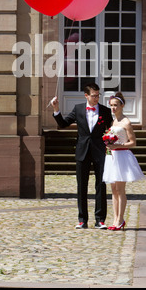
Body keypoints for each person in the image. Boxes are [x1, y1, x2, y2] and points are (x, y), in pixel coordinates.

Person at [51, 83, 113, 229]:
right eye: (94, 95)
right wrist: (56, 109)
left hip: (100, 152)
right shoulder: (78, 109)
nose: (97, 98)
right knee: (82, 186)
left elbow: (111, 129)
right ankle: (82, 220)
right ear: (86, 95)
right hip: (82, 151)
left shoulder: (105, 110)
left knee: (101, 186)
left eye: (98, 95)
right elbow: (63, 124)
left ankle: (100, 220)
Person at [103, 92, 145, 231]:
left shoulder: (126, 122)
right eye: (111, 106)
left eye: (116, 105)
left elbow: (133, 143)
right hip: (112, 156)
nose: (113, 108)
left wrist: (117, 146)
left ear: (122, 105)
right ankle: (115, 219)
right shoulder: (113, 121)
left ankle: (120, 220)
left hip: (122, 157)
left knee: (120, 189)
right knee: (113, 190)